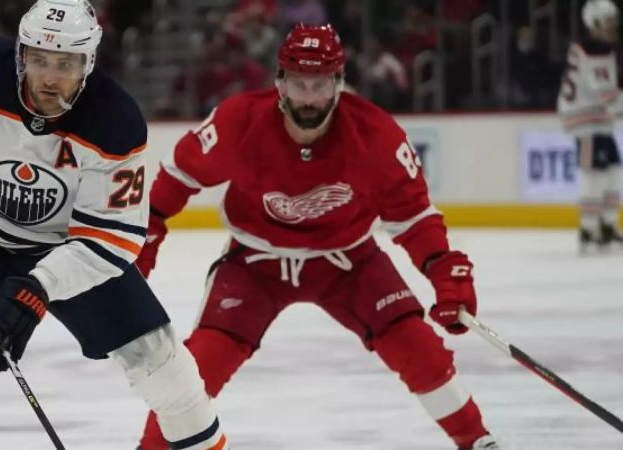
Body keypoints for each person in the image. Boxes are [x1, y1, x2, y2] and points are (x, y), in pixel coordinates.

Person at [0, 1, 228, 449]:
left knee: (168, 369)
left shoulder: (115, 123)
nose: (50, 77)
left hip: (66, 247)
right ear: (21, 55)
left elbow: (113, 239)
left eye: (66, 63)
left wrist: (40, 285)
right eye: (39, 60)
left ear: (88, 62)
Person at [135, 24, 499, 450]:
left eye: (321, 85)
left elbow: (414, 217)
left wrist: (441, 267)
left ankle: (478, 442)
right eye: (299, 84)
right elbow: (177, 175)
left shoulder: (376, 136)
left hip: (349, 263)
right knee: (197, 369)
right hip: (256, 264)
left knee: (420, 350)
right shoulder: (240, 121)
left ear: (340, 84)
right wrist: (147, 232)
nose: (309, 98)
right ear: (280, 83)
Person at [557, 0, 623, 250]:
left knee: (613, 171)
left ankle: (606, 225)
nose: (613, 27)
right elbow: (607, 95)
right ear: (593, 23)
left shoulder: (597, 47)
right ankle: (588, 228)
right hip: (585, 119)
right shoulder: (594, 50)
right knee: (594, 173)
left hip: (595, 118)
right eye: (608, 22)